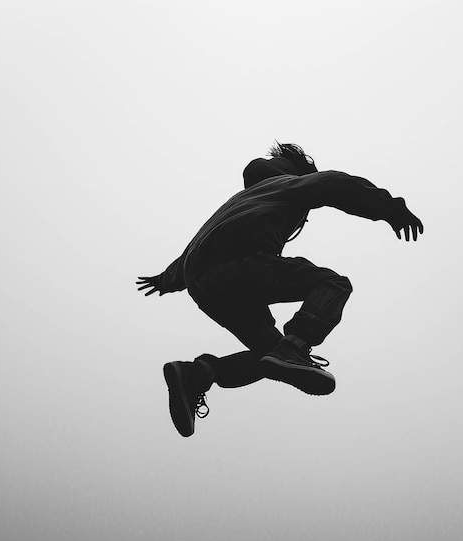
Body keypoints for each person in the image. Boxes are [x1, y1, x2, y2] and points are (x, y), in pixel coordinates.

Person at [137, 142, 423, 437]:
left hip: (202, 283)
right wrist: (391, 209)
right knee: (333, 284)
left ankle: (198, 374)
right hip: (238, 264)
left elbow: (191, 255)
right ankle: (295, 346)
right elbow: (335, 183)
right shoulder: (286, 184)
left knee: (269, 357)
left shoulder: (241, 199)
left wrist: (166, 279)